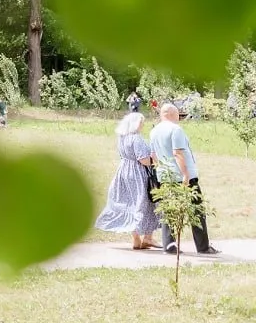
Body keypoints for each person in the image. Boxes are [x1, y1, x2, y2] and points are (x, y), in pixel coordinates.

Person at [149, 104, 219, 256]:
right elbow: (178, 153)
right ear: (173, 114)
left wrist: (160, 172)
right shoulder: (175, 130)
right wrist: (185, 175)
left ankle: (169, 246)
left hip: (165, 176)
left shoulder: (154, 131)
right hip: (181, 176)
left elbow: (153, 156)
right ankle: (203, 247)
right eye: (178, 114)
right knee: (197, 209)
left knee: (169, 211)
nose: (179, 117)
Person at [94, 113, 159, 250]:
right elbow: (144, 160)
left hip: (124, 171)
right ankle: (147, 237)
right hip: (137, 173)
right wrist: (156, 161)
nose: (143, 125)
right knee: (143, 203)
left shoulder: (122, 137)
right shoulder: (136, 139)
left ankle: (136, 238)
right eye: (141, 122)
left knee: (130, 203)